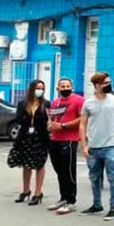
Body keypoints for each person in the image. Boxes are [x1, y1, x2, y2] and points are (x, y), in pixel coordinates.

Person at [79, 72, 114, 221]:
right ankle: (97, 204)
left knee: (112, 177)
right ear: (97, 85)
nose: (108, 85)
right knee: (94, 177)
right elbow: (82, 124)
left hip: (111, 145)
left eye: (109, 82)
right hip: (93, 146)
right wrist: (84, 145)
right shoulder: (88, 103)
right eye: (105, 83)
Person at [8, 80, 50, 206]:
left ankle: (38, 193)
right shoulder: (23, 104)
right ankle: (26, 190)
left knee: (39, 164)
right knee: (26, 165)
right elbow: (19, 118)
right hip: (25, 137)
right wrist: (33, 119)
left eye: (42, 88)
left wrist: (35, 119)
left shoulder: (46, 104)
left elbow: (46, 119)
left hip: (40, 137)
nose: (39, 91)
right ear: (32, 89)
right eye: (37, 88)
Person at [46, 77, 84, 214]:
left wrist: (63, 126)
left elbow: (82, 119)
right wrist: (50, 126)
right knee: (59, 171)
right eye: (63, 86)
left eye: (68, 86)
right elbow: (52, 119)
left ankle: (71, 201)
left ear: (72, 88)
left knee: (68, 171)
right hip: (54, 139)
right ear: (58, 88)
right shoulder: (55, 102)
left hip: (69, 139)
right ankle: (63, 197)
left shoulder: (79, 100)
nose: (66, 88)